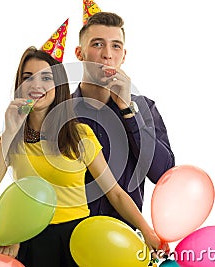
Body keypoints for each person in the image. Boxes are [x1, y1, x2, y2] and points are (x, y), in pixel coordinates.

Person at [0, 46, 166, 266]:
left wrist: (147, 231)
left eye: (46, 78)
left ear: (58, 86)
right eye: (28, 78)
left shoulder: (80, 135)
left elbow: (115, 193)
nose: (36, 85)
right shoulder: (12, 139)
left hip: (77, 240)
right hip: (28, 242)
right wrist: (8, 133)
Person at [73, 11, 175, 235]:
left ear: (124, 56)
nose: (107, 54)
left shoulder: (144, 108)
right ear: (79, 53)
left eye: (116, 46)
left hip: (125, 240)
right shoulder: (61, 112)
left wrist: (129, 111)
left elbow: (163, 174)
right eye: (97, 44)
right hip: (68, 241)